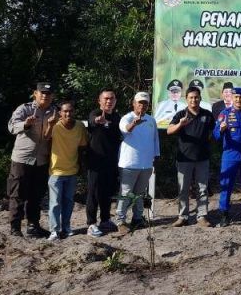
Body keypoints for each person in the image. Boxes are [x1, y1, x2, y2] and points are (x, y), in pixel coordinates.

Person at [5, 82, 54, 238]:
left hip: (42, 160)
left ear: (52, 96)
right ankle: (15, 228)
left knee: (36, 195)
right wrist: (25, 124)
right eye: (42, 93)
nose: (45, 96)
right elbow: (12, 127)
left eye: (48, 93)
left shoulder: (55, 111)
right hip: (22, 159)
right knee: (17, 194)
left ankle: (33, 226)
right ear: (35, 93)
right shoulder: (24, 108)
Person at [167, 85, 213, 227]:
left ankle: (202, 216)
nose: (194, 100)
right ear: (186, 99)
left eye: (196, 97)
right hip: (184, 158)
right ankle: (183, 216)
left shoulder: (207, 114)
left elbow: (213, 133)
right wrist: (180, 125)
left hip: (202, 158)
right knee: (183, 189)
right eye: (191, 97)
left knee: (202, 188)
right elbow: (169, 130)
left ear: (200, 98)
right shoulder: (181, 114)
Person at [115, 92, 159, 234]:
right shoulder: (126, 118)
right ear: (133, 103)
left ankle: (137, 218)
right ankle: (120, 220)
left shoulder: (151, 120)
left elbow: (155, 140)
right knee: (126, 193)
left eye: (145, 103)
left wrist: (156, 156)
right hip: (129, 163)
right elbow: (125, 129)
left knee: (140, 193)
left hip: (146, 163)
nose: (142, 105)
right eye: (140, 102)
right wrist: (134, 123)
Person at [213, 86, 241, 226]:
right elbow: (215, 135)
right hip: (230, 155)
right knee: (226, 184)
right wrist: (221, 129)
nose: (238, 99)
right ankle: (224, 215)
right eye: (236, 97)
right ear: (232, 98)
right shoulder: (224, 114)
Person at [43, 100, 87, 240]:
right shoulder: (54, 125)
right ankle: (54, 230)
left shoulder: (80, 126)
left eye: (70, 111)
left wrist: (80, 165)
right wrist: (50, 124)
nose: (68, 113)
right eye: (65, 111)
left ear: (74, 112)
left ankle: (66, 227)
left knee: (68, 201)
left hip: (72, 170)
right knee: (55, 203)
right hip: (56, 171)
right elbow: (45, 138)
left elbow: (82, 146)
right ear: (60, 113)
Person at [85, 89, 121, 237]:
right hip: (96, 161)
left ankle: (105, 220)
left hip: (111, 161)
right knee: (93, 192)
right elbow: (92, 122)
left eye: (111, 98)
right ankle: (91, 224)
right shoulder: (95, 113)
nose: (109, 101)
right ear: (99, 101)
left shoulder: (118, 117)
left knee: (107, 192)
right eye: (105, 99)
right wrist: (98, 121)